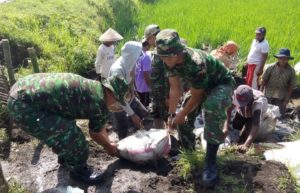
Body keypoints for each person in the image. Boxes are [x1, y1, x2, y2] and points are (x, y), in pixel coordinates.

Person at [155, 29, 235, 187]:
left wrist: (182, 114)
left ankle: (210, 162)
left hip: (220, 84)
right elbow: (175, 89)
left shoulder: (195, 62)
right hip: (199, 86)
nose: (165, 60)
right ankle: (189, 150)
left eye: (168, 56)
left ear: (178, 52)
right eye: (162, 56)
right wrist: (172, 114)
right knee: (182, 115)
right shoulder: (167, 61)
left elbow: (198, 96)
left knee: (211, 106)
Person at [7, 73, 119, 184]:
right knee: (74, 137)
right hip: (24, 106)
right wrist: (108, 146)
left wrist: (108, 142)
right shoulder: (99, 103)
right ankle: (79, 172)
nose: (116, 104)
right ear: (113, 94)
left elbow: (99, 127)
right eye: (118, 100)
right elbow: (95, 133)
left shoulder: (95, 86)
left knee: (63, 125)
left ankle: (66, 156)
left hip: (21, 87)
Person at [108, 41, 149, 139]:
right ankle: (123, 151)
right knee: (123, 129)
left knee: (145, 115)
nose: (140, 56)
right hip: (116, 102)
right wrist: (132, 114)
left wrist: (133, 92)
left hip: (129, 95)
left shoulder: (132, 63)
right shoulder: (117, 72)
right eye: (139, 54)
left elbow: (131, 79)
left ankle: (143, 139)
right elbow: (119, 97)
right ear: (132, 55)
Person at [225, 85, 268, 153]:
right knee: (236, 124)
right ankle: (238, 138)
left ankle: (244, 137)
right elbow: (228, 111)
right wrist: (225, 127)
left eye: (243, 103)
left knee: (248, 136)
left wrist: (246, 145)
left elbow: (256, 125)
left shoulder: (258, 103)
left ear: (250, 100)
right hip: (242, 111)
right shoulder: (236, 95)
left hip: (253, 113)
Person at [260, 48, 296, 116]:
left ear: (288, 59)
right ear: (278, 58)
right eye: (281, 58)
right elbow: (264, 80)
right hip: (268, 94)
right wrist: (261, 93)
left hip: (281, 97)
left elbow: (291, 85)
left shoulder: (291, 71)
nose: (283, 60)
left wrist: (287, 98)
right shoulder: (270, 67)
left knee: (279, 116)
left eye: (285, 58)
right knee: (265, 114)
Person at [135, 40, 152, 108]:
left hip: (138, 85)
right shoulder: (146, 57)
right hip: (145, 87)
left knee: (140, 104)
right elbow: (146, 74)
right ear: (148, 46)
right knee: (145, 106)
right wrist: (150, 86)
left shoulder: (137, 54)